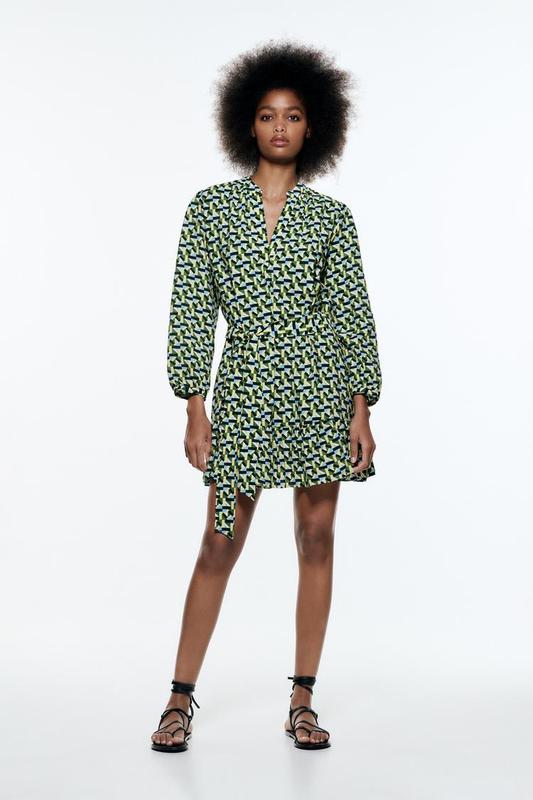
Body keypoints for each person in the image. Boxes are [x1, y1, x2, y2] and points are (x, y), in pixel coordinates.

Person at [151, 40, 382, 753]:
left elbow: (351, 312)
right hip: (245, 388)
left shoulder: (331, 218)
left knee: (316, 538)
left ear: (313, 128)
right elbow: (192, 309)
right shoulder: (210, 210)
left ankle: (302, 700)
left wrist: (361, 408)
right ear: (246, 124)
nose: (279, 127)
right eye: (266, 115)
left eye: (293, 116)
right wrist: (194, 403)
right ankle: (179, 698)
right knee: (218, 543)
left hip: (320, 389)